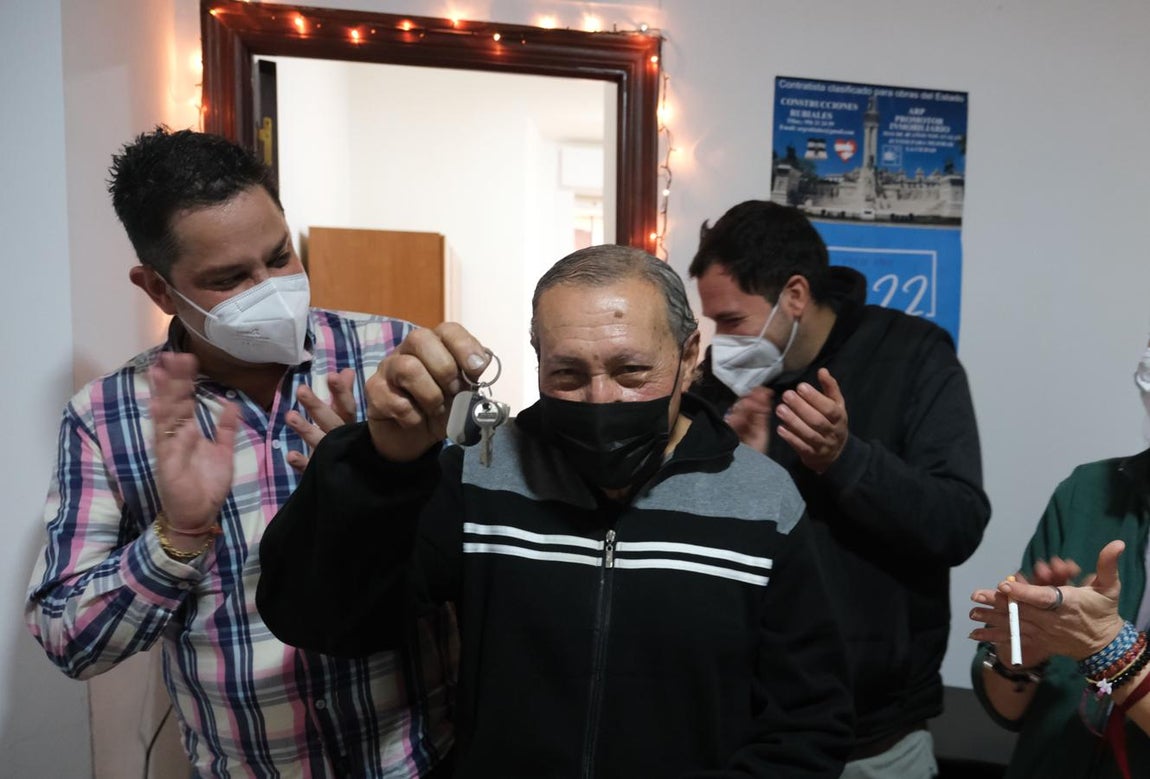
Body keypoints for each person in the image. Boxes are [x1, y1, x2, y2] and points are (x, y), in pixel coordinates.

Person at [256, 245, 855, 776]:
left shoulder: (762, 498)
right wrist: (382, 464)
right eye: (567, 373)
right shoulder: (480, 474)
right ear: (537, 359)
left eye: (632, 371)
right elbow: (327, 619)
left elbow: (808, 718)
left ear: (688, 353)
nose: (601, 398)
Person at [24, 127, 454, 777]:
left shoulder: (390, 357)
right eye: (229, 278)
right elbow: (67, 637)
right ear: (159, 289)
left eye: (281, 256)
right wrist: (177, 538)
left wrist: (382, 483)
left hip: (422, 756)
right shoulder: (108, 418)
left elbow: (474, 556)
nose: (271, 287)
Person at [688, 200, 990, 777]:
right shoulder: (717, 385)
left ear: (794, 296)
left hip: (875, 738)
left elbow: (957, 521)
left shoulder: (913, 355)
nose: (719, 342)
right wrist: (738, 476)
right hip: (743, 732)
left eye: (730, 321)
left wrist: (843, 458)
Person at [969, 451, 1150, 777]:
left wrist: (1108, 647)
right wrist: (1021, 656)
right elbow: (1006, 708)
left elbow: (1101, 642)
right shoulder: (1089, 489)